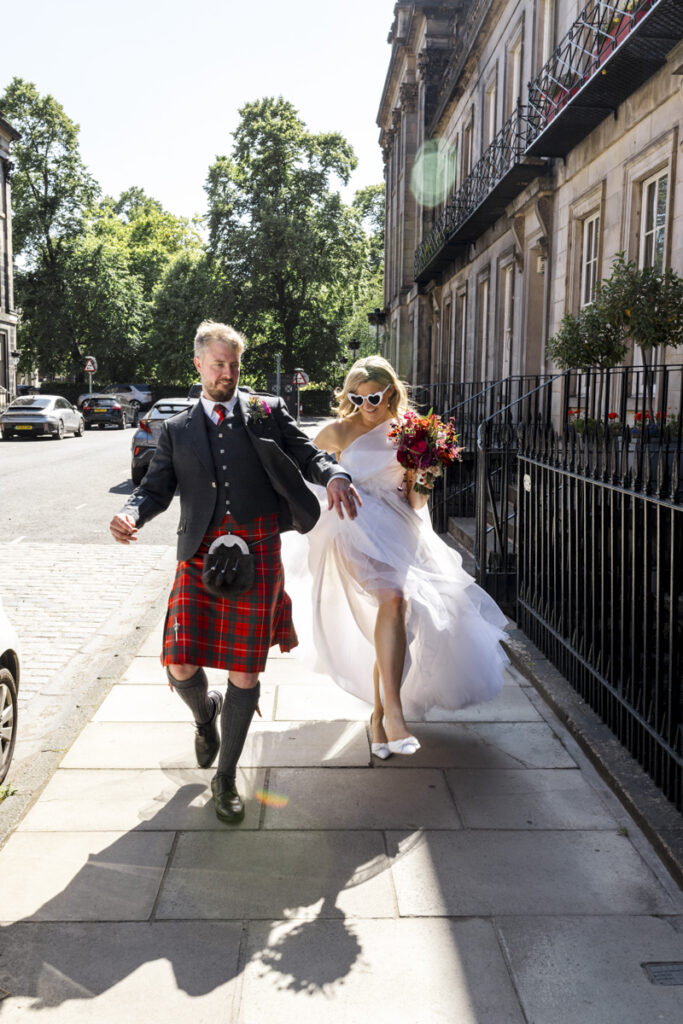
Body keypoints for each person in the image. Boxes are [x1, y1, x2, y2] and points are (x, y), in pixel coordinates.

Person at [110, 321, 360, 824]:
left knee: (246, 668)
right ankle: (206, 716)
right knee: (179, 663)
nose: (227, 373)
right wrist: (132, 514)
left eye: (234, 364)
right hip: (199, 553)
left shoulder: (267, 411)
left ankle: (226, 778)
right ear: (198, 364)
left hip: (258, 551)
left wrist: (333, 472)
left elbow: (306, 453)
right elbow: (155, 488)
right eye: (218, 364)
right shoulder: (177, 429)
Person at [293, 355, 508, 758]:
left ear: (390, 392)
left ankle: (380, 717)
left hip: (398, 528)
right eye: (356, 400)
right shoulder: (337, 433)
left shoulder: (411, 432)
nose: (366, 406)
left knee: (399, 613)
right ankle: (395, 714)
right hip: (352, 524)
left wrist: (426, 474)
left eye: (373, 397)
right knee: (395, 598)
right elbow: (299, 468)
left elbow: (414, 501)